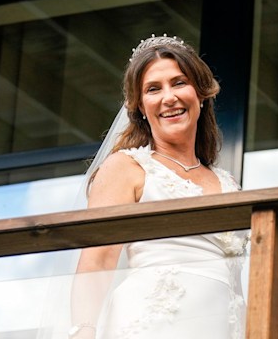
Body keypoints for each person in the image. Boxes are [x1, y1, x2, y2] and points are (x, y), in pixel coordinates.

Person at [67, 34, 249, 339]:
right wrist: (84, 331)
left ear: (200, 94)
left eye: (179, 83)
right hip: (154, 324)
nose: (169, 97)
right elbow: (96, 260)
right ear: (140, 106)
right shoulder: (127, 167)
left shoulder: (228, 183)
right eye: (154, 89)